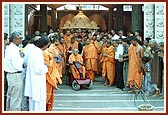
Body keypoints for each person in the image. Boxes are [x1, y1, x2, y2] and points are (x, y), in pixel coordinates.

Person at [24, 35, 49, 111]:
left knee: (33, 102)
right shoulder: (38, 53)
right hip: (37, 82)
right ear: (44, 45)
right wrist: (46, 67)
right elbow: (39, 69)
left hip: (34, 81)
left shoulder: (34, 51)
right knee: (39, 102)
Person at [4, 31, 24, 111]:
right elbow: (17, 65)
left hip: (11, 75)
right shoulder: (14, 49)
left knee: (11, 96)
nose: (21, 40)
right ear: (14, 39)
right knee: (16, 98)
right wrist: (22, 60)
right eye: (20, 38)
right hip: (15, 75)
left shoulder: (11, 48)